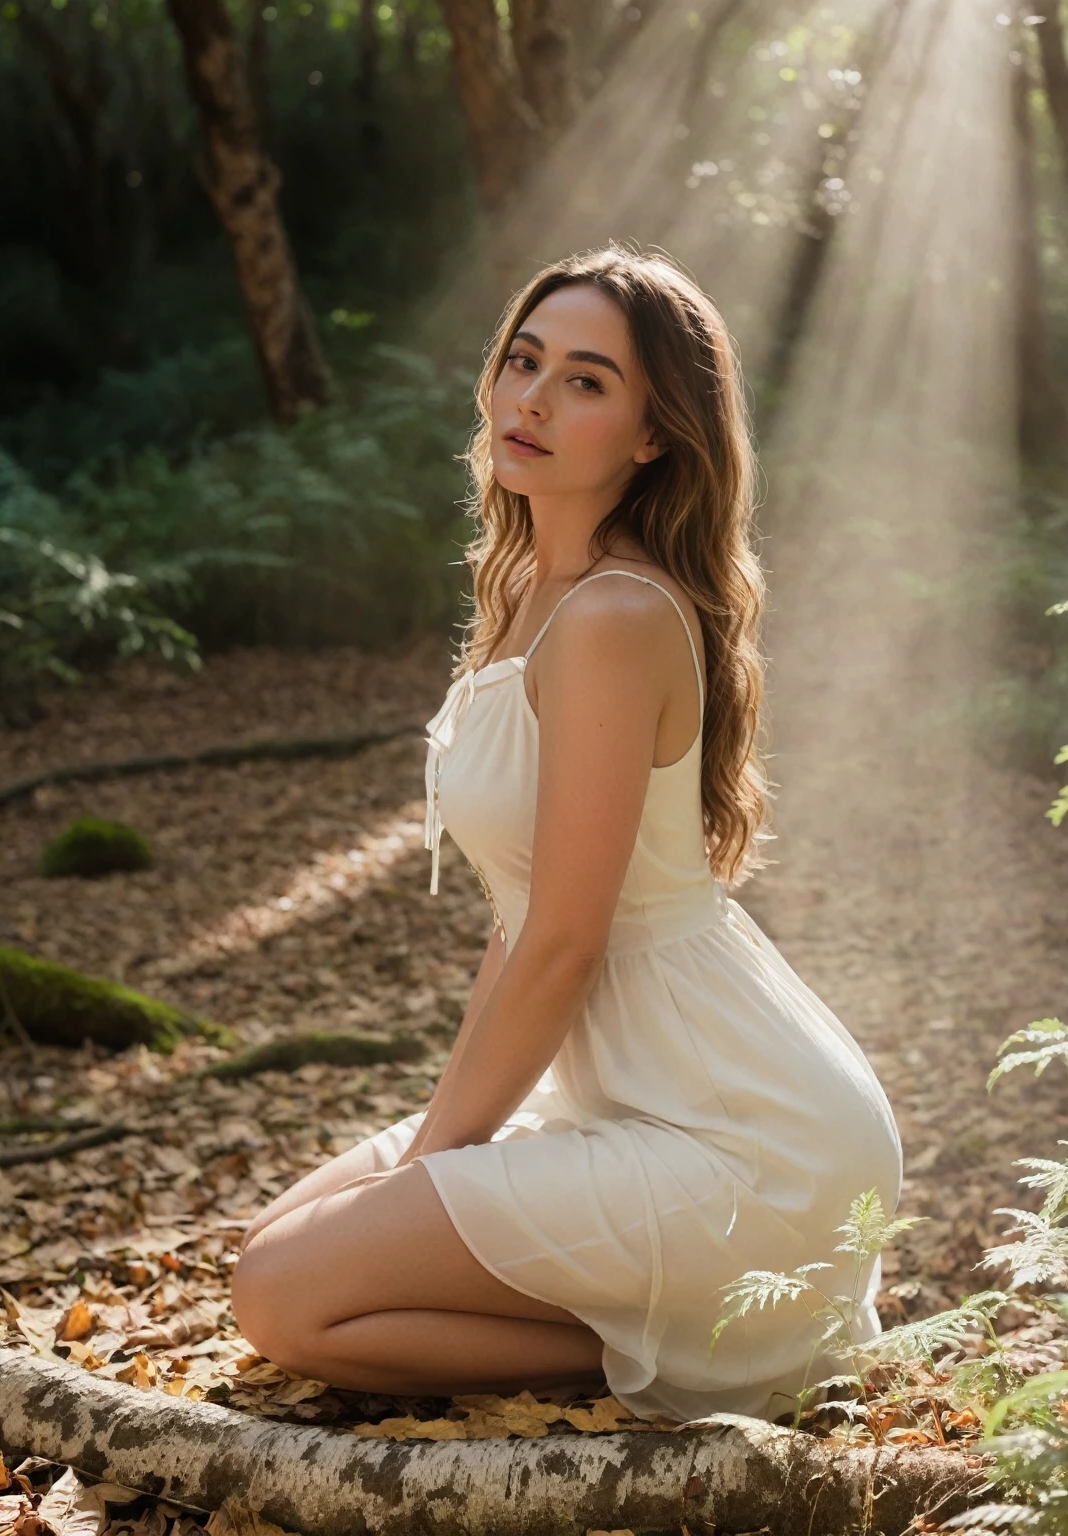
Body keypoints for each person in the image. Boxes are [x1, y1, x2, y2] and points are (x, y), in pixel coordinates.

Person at [231, 243, 903, 1424]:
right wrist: (450, 1133)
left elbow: (564, 944)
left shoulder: (614, 616)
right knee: (279, 1249)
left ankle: (712, 1345)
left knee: (285, 1297)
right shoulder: (527, 592)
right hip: (620, 1091)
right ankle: (677, 1328)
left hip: (744, 1137)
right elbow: (521, 913)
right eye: (523, 362)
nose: (532, 400)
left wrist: (444, 1153)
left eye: (587, 381)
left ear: (655, 435)